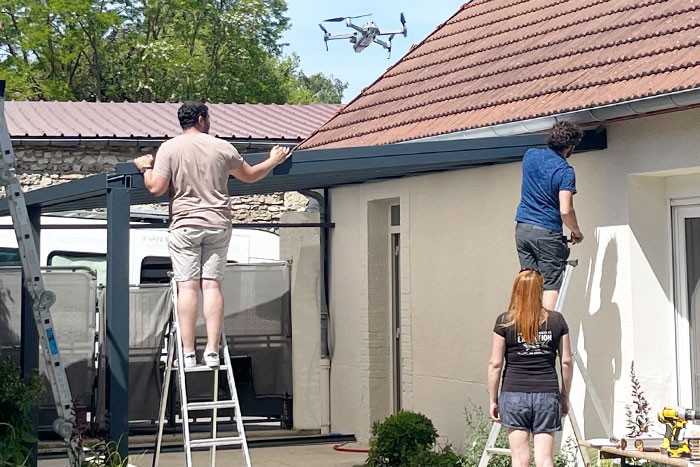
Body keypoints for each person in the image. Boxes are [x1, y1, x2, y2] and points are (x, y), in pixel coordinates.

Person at [133, 101, 291, 368]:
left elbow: (156, 188)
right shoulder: (221, 147)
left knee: (187, 286)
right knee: (211, 286)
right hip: (217, 224)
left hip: (184, 226)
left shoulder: (169, 149)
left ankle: (187, 352)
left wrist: (145, 167)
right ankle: (213, 351)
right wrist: (273, 160)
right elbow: (250, 176)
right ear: (201, 118)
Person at [488, 270, 573, 467]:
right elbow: (566, 361)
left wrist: (493, 400)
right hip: (547, 394)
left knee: (519, 459)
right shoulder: (556, 320)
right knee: (545, 459)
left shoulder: (504, 321)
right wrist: (565, 395)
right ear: (540, 291)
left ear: (516, 291)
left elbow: (495, 364)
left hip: (514, 394)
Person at [515, 121, 584, 310]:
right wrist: (576, 232)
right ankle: (545, 334)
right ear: (570, 146)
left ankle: (527, 328)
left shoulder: (530, 155)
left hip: (522, 229)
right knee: (551, 283)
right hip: (546, 232)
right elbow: (565, 210)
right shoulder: (565, 171)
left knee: (529, 280)